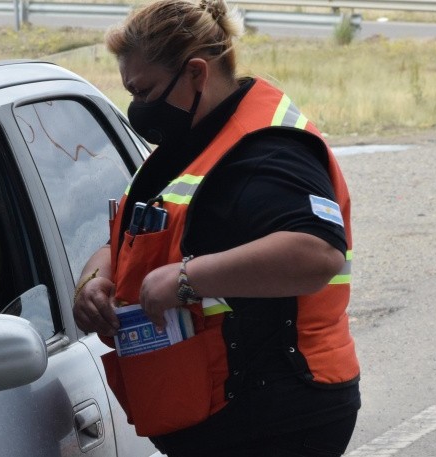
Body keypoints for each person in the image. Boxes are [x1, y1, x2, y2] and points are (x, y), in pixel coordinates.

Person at [72, 0, 361, 455]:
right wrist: (96, 278)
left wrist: (186, 279)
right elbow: (133, 235)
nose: (138, 107)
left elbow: (316, 253)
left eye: (145, 92)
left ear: (196, 74)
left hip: (277, 415)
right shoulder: (187, 142)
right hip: (215, 410)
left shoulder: (268, 149)